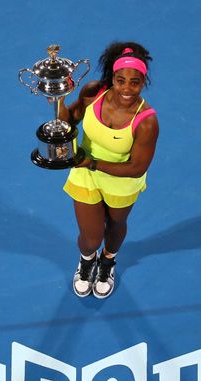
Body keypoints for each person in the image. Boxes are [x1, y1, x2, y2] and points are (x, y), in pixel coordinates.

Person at [56, 41, 159, 299]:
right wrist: (58, 100)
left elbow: (137, 168)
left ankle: (108, 261)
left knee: (116, 225)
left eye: (134, 82)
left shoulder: (147, 121)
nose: (126, 88)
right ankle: (87, 260)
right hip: (86, 175)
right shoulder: (93, 93)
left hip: (121, 180)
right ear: (112, 77)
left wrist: (92, 163)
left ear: (143, 82)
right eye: (120, 80)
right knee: (91, 237)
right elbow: (68, 120)